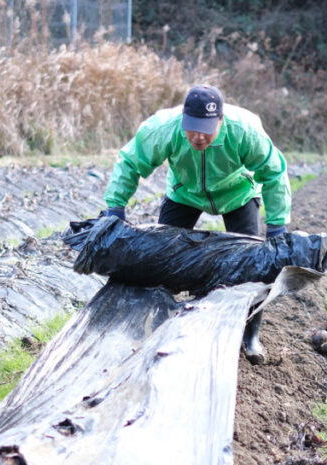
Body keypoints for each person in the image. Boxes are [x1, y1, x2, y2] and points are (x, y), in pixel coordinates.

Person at [99, 84, 292, 363]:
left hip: (238, 193)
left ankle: (250, 335)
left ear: (221, 121)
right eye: (191, 128)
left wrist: (277, 227)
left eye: (206, 129)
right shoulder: (163, 129)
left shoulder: (244, 131)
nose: (198, 136)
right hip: (184, 192)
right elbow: (130, 163)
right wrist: (115, 209)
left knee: (253, 264)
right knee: (161, 257)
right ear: (182, 119)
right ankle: (158, 326)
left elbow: (274, 173)